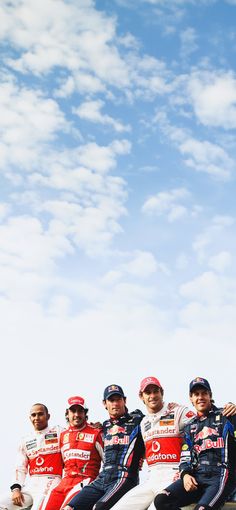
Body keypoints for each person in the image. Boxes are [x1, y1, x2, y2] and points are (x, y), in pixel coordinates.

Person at [109, 376, 236, 510]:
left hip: (176, 474)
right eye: (148, 392)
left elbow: (204, 417)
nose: (152, 395)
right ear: (141, 396)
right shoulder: (142, 422)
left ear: (161, 392)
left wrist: (232, 408)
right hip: (155, 477)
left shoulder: (179, 411)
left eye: (155, 391)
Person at [154, 377, 236, 510]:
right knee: (161, 500)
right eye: (196, 394)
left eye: (204, 393)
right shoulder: (189, 426)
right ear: (191, 398)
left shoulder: (227, 415)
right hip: (198, 477)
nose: (200, 397)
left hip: (222, 475)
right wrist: (185, 474)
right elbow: (185, 457)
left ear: (210, 395)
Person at [63, 384, 145, 510]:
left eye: (118, 399)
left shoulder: (138, 420)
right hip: (103, 477)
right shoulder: (104, 426)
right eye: (111, 400)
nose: (115, 404)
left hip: (125, 476)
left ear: (125, 400)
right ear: (104, 403)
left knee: (99, 507)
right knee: (70, 507)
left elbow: (155, 415)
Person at [39, 395, 103, 510]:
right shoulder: (63, 435)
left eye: (80, 411)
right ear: (67, 413)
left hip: (86, 480)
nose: (77, 415)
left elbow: (108, 462)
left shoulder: (96, 433)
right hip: (64, 482)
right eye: (73, 411)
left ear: (85, 413)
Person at [0, 403, 63, 510]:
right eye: (33, 415)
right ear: (30, 418)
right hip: (31, 484)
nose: (36, 418)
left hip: (51, 481)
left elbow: (75, 430)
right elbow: (20, 468)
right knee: (2, 503)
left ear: (48, 416)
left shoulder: (59, 431)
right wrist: (16, 489)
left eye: (40, 414)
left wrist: (94, 426)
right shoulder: (25, 439)